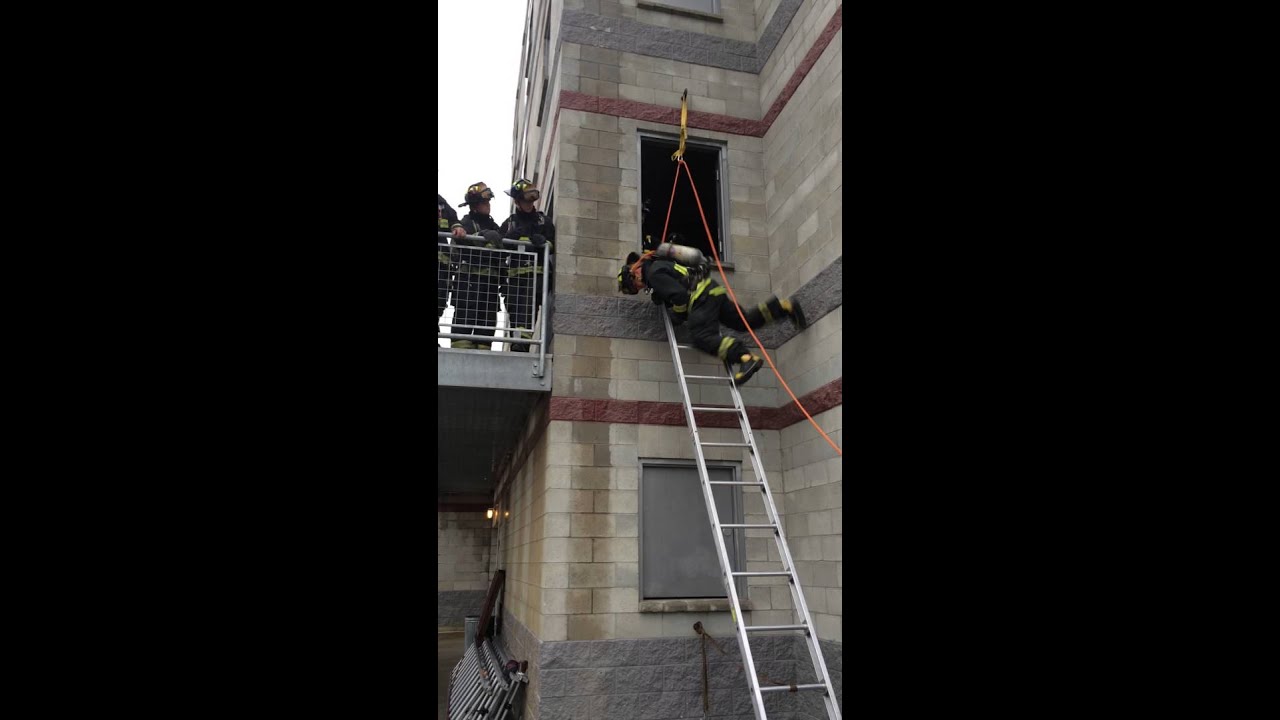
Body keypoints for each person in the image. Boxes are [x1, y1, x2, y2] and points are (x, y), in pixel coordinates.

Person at [617, 240, 808, 385]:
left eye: (634, 285)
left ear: (635, 273)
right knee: (743, 322)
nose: (639, 288)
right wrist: (661, 294)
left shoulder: (653, 275)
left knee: (701, 336)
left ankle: (745, 358)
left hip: (700, 297)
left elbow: (681, 297)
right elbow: (675, 283)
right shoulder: (660, 266)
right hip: (711, 289)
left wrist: (678, 315)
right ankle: (783, 308)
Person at [498, 179, 556, 353]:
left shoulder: (543, 222)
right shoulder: (510, 223)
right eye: (525, 201)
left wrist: (544, 242)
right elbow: (499, 248)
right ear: (517, 202)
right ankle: (518, 344)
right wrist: (509, 238)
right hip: (515, 280)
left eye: (531, 201)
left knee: (528, 311)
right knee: (516, 312)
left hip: (536, 279)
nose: (529, 204)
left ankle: (522, 347)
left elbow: (552, 245)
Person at [450, 183, 506, 349]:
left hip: (489, 286)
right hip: (468, 283)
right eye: (484, 202)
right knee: (463, 329)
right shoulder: (466, 222)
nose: (488, 205)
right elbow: (459, 246)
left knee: (486, 332)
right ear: (474, 205)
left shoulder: (494, 226)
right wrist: (480, 237)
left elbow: (502, 253)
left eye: (488, 202)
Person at [437, 194, 466, 320]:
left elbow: (452, 218)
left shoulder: (440, 202)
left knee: (440, 299)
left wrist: (457, 227)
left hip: (441, 266)